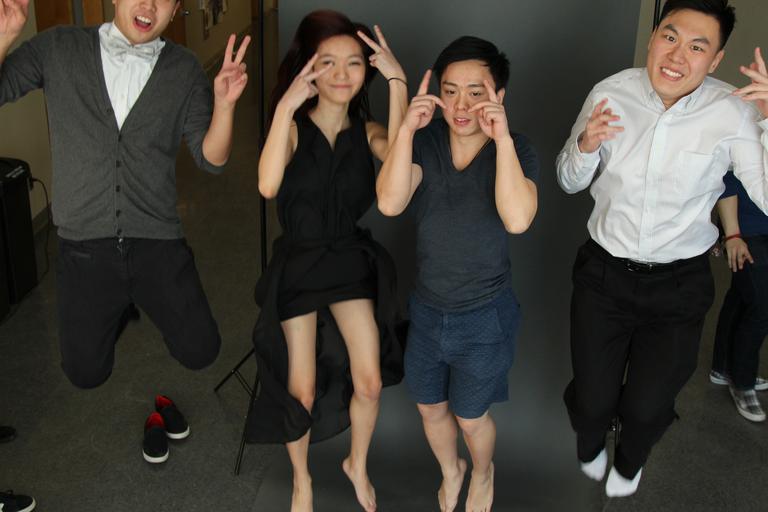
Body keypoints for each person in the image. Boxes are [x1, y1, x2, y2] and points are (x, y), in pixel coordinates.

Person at [556, 0, 768, 497]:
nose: (677, 56)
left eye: (697, 47)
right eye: (670, 37)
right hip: (603, 275)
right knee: (591, 401)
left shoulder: (734, 111)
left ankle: (630, 460)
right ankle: (590, 442)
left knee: (647, 407)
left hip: (679, 284)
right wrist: (585, 145)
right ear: (653, 38)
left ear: (715, 60)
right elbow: (568, 180)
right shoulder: (610, 92)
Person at [0, 0, 250, 389]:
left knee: (202, 351)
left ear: (176, 9)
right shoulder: (58, 47)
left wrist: (225, 106)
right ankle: (118, 305)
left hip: (156, 237)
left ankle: (126, 298)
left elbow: (211, 159)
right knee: (86, 374)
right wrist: (4, 37)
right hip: (84, 244)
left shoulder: (184, 69)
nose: (148, 4)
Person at [247, 10, 406, 512]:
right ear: (308, 68)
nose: (341, 74)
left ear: (367, 71)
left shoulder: (370, 131)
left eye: (354, 62)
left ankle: (356, 463)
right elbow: (267, 184)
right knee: (303, 390)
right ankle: (302, 481)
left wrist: (398, 83)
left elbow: (399, 171)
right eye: (327, 62)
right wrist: (284, 107)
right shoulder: (293, 129)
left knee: (370, 381)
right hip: (300, 262)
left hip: (347, 257)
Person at [377, 36, 539, 512]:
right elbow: (390, 202)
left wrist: (502, 140)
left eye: (475, 92)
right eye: (450, 92)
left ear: (499, 96)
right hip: (427, 311)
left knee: (470, 417)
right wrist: (406, 131)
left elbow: (517, 219)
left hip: (484, 316)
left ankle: (483, 472)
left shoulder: (516, 148)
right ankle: (452, 471)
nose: (461, 105)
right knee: (430, 408)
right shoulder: (426, 141)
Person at [710, 170, 768, 422]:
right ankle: (743, 382)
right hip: (746, 225)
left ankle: (723, 367)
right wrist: (730, 233)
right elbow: (725, 175)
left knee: (742, 294)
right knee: (762, 306)